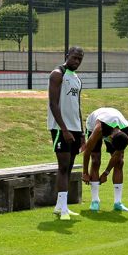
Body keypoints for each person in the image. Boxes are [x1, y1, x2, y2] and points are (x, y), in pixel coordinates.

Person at [47, 47, 85, 220]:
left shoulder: (76, 78)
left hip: (75, 129)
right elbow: (53, 104)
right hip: (60, 128)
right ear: (67, 56)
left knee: (69, 167)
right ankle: (62, 209)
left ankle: (61, 206)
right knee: (62, 166)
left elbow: (77, 106)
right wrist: (64, 128)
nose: (76, 61)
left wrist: (82, 133)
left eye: (80, 59)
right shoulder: (57, 74)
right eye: (74, 58)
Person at [80, 107, 128, 213]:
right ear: (111, 137)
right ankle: (95, 201)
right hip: (95, 123)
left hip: (113, 124)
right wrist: (85, 173)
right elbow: (87, 152)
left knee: (119, 162)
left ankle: (118, 203)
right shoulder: (99, 128)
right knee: (95, 161)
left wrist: (106, 173)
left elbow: (117, 154)